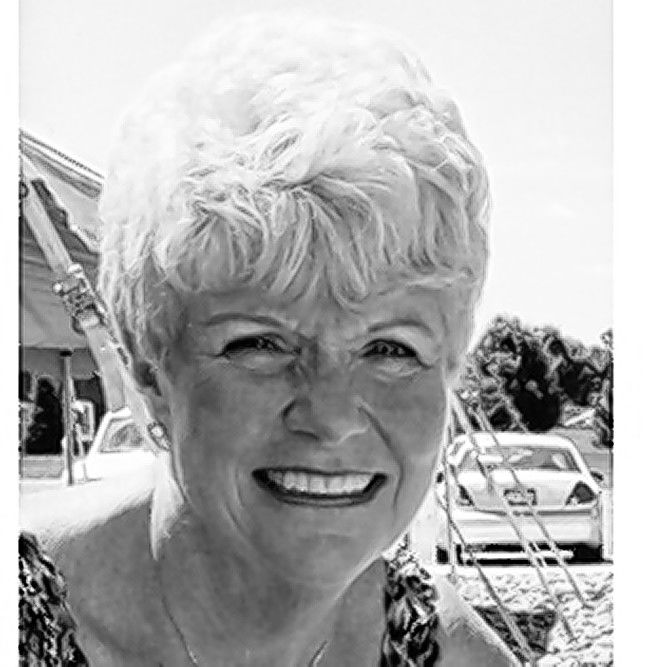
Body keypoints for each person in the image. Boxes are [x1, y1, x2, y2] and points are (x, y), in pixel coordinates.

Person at [20, 13, 520, 666]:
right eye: (260, 344)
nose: (332, 416)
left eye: (391, 349)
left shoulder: (450, 654)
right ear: (149, 367)